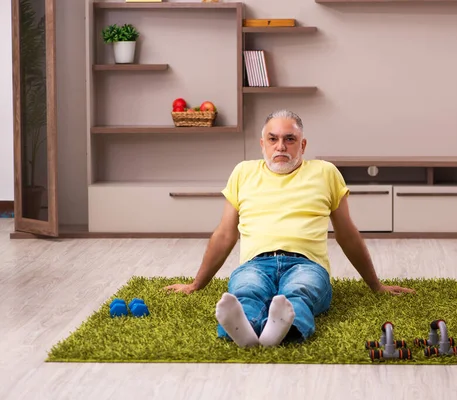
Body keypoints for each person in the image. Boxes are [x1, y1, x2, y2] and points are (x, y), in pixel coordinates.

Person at [164, 109, 415, 348]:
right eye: (272, 139)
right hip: (255, 263)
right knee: (246, 289)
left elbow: (347, 234)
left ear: (302, 145)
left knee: (299, 291)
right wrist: (196, 284)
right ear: (262, 144)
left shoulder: (325, 172)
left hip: (306, 264)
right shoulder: (243, 172)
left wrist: (376, 285)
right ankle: (247, 330)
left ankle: (276, 331)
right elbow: (225, 234)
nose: (280, 146)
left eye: (290, 139)